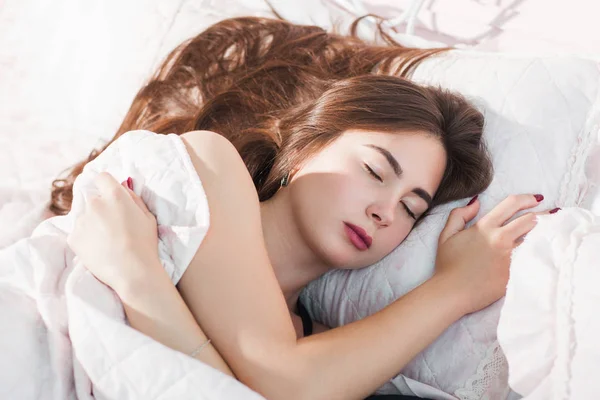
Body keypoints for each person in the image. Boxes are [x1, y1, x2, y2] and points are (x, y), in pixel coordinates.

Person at [54, 17, 557, 400]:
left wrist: (140, 279)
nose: (385, 210)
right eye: (375, 171)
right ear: (301, 150)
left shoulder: (329, 352)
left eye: (410, 207)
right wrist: (456, 288)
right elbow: (284, 377)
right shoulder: (207, 164)